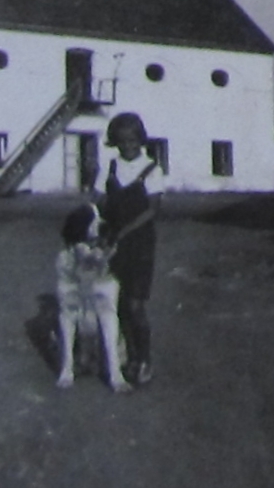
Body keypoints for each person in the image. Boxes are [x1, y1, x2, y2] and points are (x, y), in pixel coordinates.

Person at [92, 112, 164, 386]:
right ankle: (124, 354)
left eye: (133, 140)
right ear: (115, 142)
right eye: (122, 141)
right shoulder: (110, 167)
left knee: (135, 304)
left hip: (140, 245)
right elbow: (98, 199)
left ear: (141, 140)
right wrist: (98, 217)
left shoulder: (151, 169)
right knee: (116, 303)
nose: (128, 146)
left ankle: (143, 359)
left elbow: (152, 210)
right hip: (112, 243)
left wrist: (123, 232)